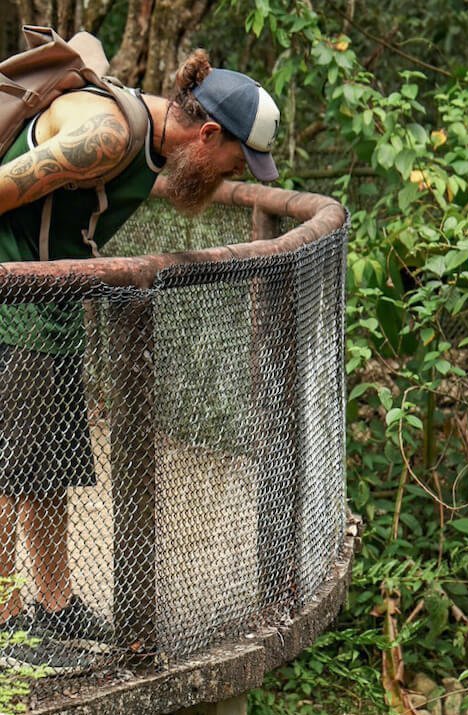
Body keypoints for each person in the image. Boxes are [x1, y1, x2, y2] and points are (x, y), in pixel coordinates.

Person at [0, 48, 279, 666]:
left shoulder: (149, 140)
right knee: (6, 472)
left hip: (51, 301)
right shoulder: (108, 135)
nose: (233, 173)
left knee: (47, 465)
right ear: (207, 134)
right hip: (12, 297)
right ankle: (7, 624)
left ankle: (53, 604)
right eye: (236, 160)